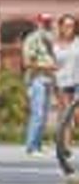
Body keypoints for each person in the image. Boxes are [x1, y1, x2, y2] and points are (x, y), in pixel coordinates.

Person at [22, 12, 57, 154]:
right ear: (38, 23)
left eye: (49, 22)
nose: (47, 24)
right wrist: (47, 67)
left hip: (49, 79)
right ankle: (31, 147)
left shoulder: (50, 39)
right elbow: (27, 63)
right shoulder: (32, 39)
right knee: (38, 114)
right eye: (44, 22)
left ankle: (38, 145)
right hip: (37, 79)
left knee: (44, 115)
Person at [52, 13, 79, 124]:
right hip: (61, 83)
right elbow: (52, 65)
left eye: (72, 26)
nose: (69, 29)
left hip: (78, 81)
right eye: (67, 26)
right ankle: (63, 141)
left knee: (77, 114)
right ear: (61, 27)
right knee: (64, 116)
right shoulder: (55, 45)